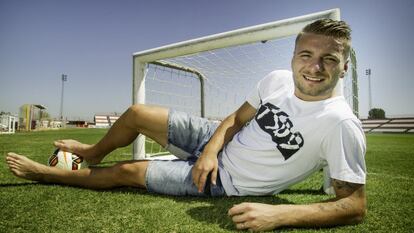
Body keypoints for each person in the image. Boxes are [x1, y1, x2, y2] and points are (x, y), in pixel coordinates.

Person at [6, 19, 366, 231]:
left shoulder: (339, 124)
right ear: (293, 58)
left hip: (226, 181)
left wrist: (280, 214)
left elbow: (353, 205)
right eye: (306, 55)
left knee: (129, 171)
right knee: (135, 113)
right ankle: (91, 151)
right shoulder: (276, 80)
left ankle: (48, 174)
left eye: (328, 59)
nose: (314, 67)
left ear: (344, 66)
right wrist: (210, 150)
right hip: (214, 141)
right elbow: (235, 119)